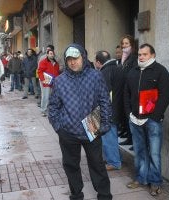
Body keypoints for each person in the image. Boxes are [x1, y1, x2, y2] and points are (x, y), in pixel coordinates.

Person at [48, 44, 112, 200]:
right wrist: (59, 127)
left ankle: (104, 195)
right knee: (71, 165)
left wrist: (104, 124)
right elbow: (53, 107)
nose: (72, 62)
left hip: (92, 125)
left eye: (75, 58)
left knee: (97, 164)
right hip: (68, 131)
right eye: (69, 59)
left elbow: (105, 101)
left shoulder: (95, 76)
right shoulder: (60, 81)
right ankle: (76, 194)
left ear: (83, 57)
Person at [124, 43, 169, 196]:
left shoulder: (160, 71)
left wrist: (155, 116)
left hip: (152, 120)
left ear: (152, 55)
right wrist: (128, 114)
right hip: (135, 119)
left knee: (154, 153)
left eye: (145, 54)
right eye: (139, 54)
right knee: (139, 151)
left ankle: (155, 182)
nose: (141, 57)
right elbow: (126, 93)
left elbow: (166, 94)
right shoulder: (133, 71)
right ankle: (141, 178)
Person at [94, 50, 123, 171]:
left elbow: (105, 94)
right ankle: (115, 158)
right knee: (112, 135)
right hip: (117, 108)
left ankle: (114, 162)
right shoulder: (117, 68)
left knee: (108, 135)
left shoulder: (105, 72)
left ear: (98, 62)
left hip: (109, 110)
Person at [118, 35, 138, 147]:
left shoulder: (134, 57)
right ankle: (129, 138)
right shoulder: (124, 57)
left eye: (127, 43)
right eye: (123, 44)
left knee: (130, 117)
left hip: (130, 92)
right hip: (123, 90)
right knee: (125, 116)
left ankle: (133, 141)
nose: (124, 46)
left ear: (132, 45)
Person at [37, 49, 60, 117]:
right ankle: (43, 110)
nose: (52, 55)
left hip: (53, 81)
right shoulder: (43, 62)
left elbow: (57, 72)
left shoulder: (56, 63)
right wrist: (43, 79)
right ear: (47, 54)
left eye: (53, 54)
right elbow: (40, 71)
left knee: (51, 97)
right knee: (45, 96)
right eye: (50, 53)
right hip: (45, 81)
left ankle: (50, 110)